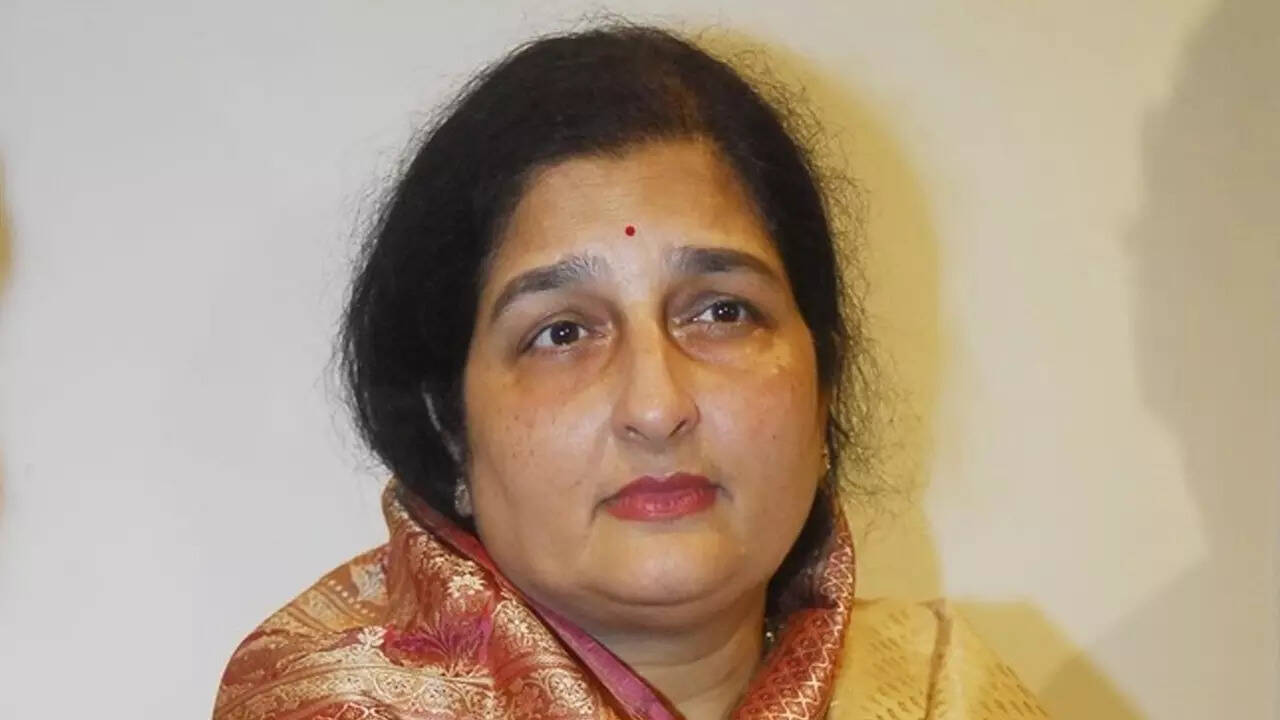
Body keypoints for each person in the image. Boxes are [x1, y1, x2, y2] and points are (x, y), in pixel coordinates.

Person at [213, 24, 1048, 720]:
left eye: (721, 312)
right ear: (449, 428)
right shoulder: (336, 708)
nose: (656, 406)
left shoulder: (948, 696)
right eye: (562, 332)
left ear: (821, 383)